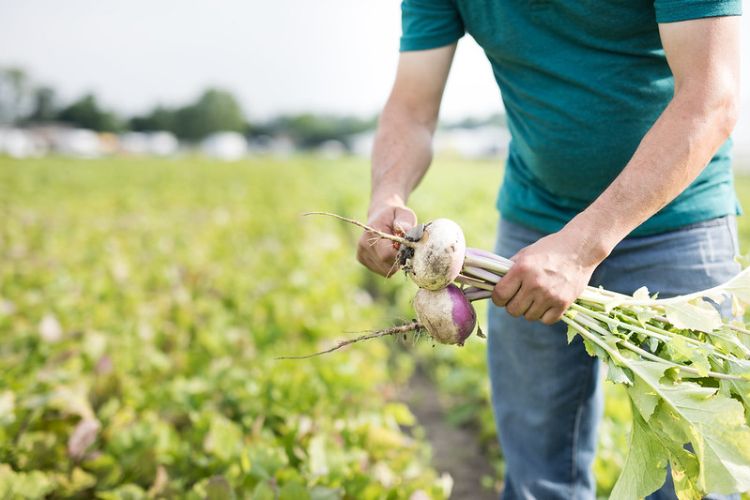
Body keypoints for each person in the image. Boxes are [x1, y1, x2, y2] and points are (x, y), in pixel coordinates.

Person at [356, 1, 743, 499]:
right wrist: (388, 194)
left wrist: (580, 248)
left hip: (678, 221)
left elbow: (711, 96)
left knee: (695, 468)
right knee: (538, 472)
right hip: (535, 220)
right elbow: (411, 110)